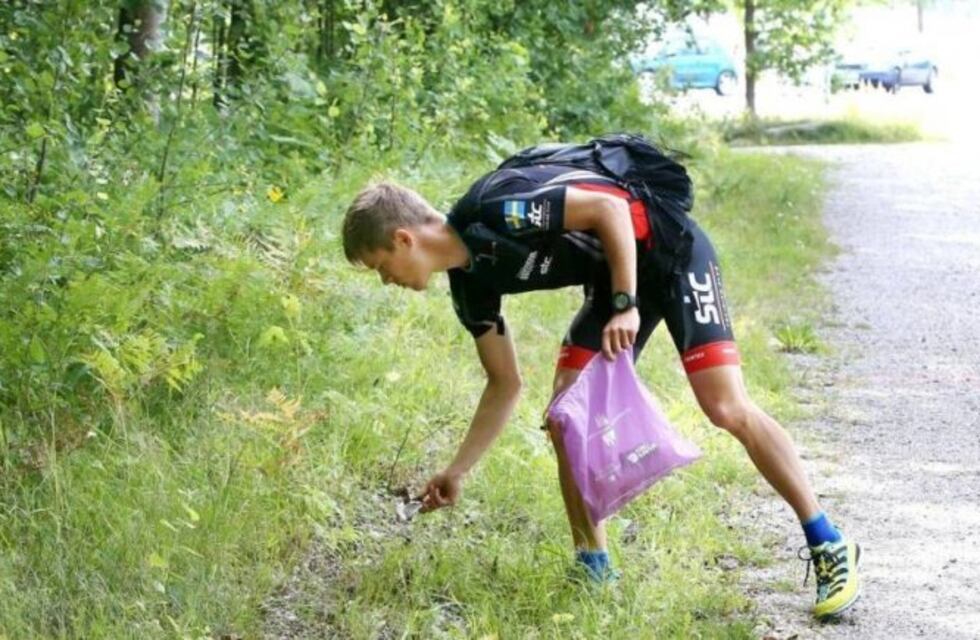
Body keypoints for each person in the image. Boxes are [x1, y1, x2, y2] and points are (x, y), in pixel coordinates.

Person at [341, 153, 860, 619]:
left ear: (403, 239)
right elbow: (504, 384)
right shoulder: (470, 289)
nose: (387, 280)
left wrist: (625, 305)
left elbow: (610, 210)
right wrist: (456, 471)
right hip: (615, 280)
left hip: (672, 254)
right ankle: (594, 565)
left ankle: (828, 542)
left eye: (381, 267)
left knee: (725, 407)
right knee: (565, 414)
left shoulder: (499, 208)